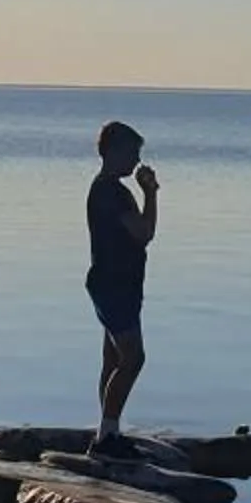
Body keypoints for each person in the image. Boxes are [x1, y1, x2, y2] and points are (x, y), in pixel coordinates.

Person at [84, 120, 158, 458]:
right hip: (115, 286)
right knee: (133, 358)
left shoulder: (104, 188)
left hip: (111, 282)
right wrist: (151, 193)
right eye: (131, 153)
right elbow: (143, 233)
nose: (135, 160)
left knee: (112, 359)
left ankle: (107, 430)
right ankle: (106, 437)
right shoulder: (111, 191)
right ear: (113, 152)